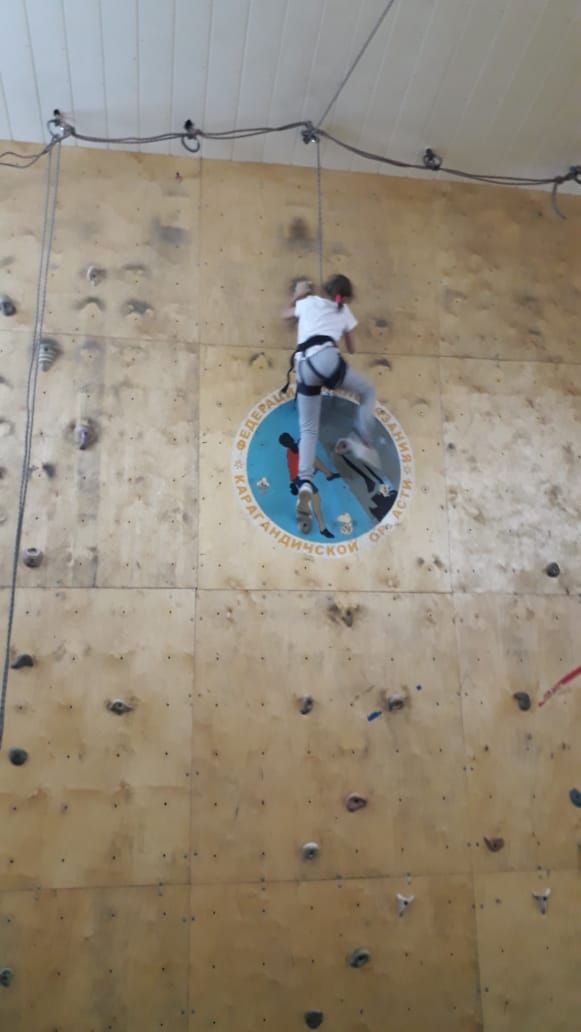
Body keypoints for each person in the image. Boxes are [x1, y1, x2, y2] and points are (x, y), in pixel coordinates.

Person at [282, 274, 379, 534]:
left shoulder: (308, 302)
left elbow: (285, 315)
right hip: (328, 359)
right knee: (367, 391)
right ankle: (361, 437)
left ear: (324, 289)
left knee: (308, 430)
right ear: (345, 297)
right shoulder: (343, 310)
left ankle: (304, 484)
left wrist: (298, 294)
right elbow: (352, 348)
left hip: (304, 366)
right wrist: (342, 326)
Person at [278, 432, 338, 538]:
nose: (291, 441)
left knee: (313, 458)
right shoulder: (292, 452)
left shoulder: (296, 446)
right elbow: (293, 471)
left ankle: (329, 475)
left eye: (289, 439)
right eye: (288, 441)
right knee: (316, 500)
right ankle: (322, 529)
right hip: (301, 479)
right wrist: (294, 484)